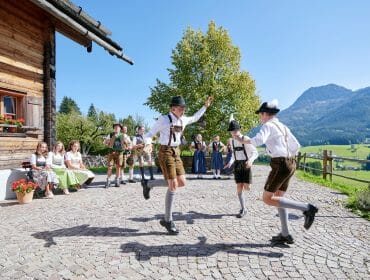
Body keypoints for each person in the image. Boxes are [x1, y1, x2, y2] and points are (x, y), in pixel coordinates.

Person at [232, 99, 318, 244]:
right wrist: (286, 156)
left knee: (267, 198)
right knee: (279, 198)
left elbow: (258, 140)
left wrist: (241, 139)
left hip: (280, 164)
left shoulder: (268, 125)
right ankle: (285, 234)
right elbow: (296, 146)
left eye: (260, 114)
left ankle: (307, 208)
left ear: (266, 114)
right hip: (290, 162)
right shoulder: (282, 126)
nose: (260, 117)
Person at [144, 95, 213, 235]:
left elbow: (195, 117)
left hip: (176, 151)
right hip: (165, 152)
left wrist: (205, 106)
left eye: (184, 108)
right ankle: (167, 220)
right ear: (173, 108)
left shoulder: (183, 119)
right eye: (181, 108)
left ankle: (149, 184)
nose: (183, 110)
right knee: (173, 185)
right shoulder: (163, 119)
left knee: (181, 182)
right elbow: (149, 134)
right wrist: (148, 144)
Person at [224, 117, 258, 218]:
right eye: (232, 131)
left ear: (239, 130)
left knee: (247, 188)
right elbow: (234, 155)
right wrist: (230, 162)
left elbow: (255, 152)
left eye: (235, 130)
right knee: (239, 187)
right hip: (238, 165)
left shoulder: (245, 139)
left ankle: (245, 203)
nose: (234, 133)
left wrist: (251, 160)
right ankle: (243, 208)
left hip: (246, 164)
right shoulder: (231, 141)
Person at [104, 123, 129, 188]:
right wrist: (109, 141)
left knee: (118, 167)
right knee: (110, 167)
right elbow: (105, 143)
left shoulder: (123, 135)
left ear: (120, 128)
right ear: (114, 128)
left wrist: (126, 145)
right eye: (115, 127)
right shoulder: (110, 134)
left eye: (118, 127)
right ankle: (108, 180)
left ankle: (117, 180)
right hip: (111, 153)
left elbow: (129, 143)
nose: (116, 128)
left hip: (120, 153)